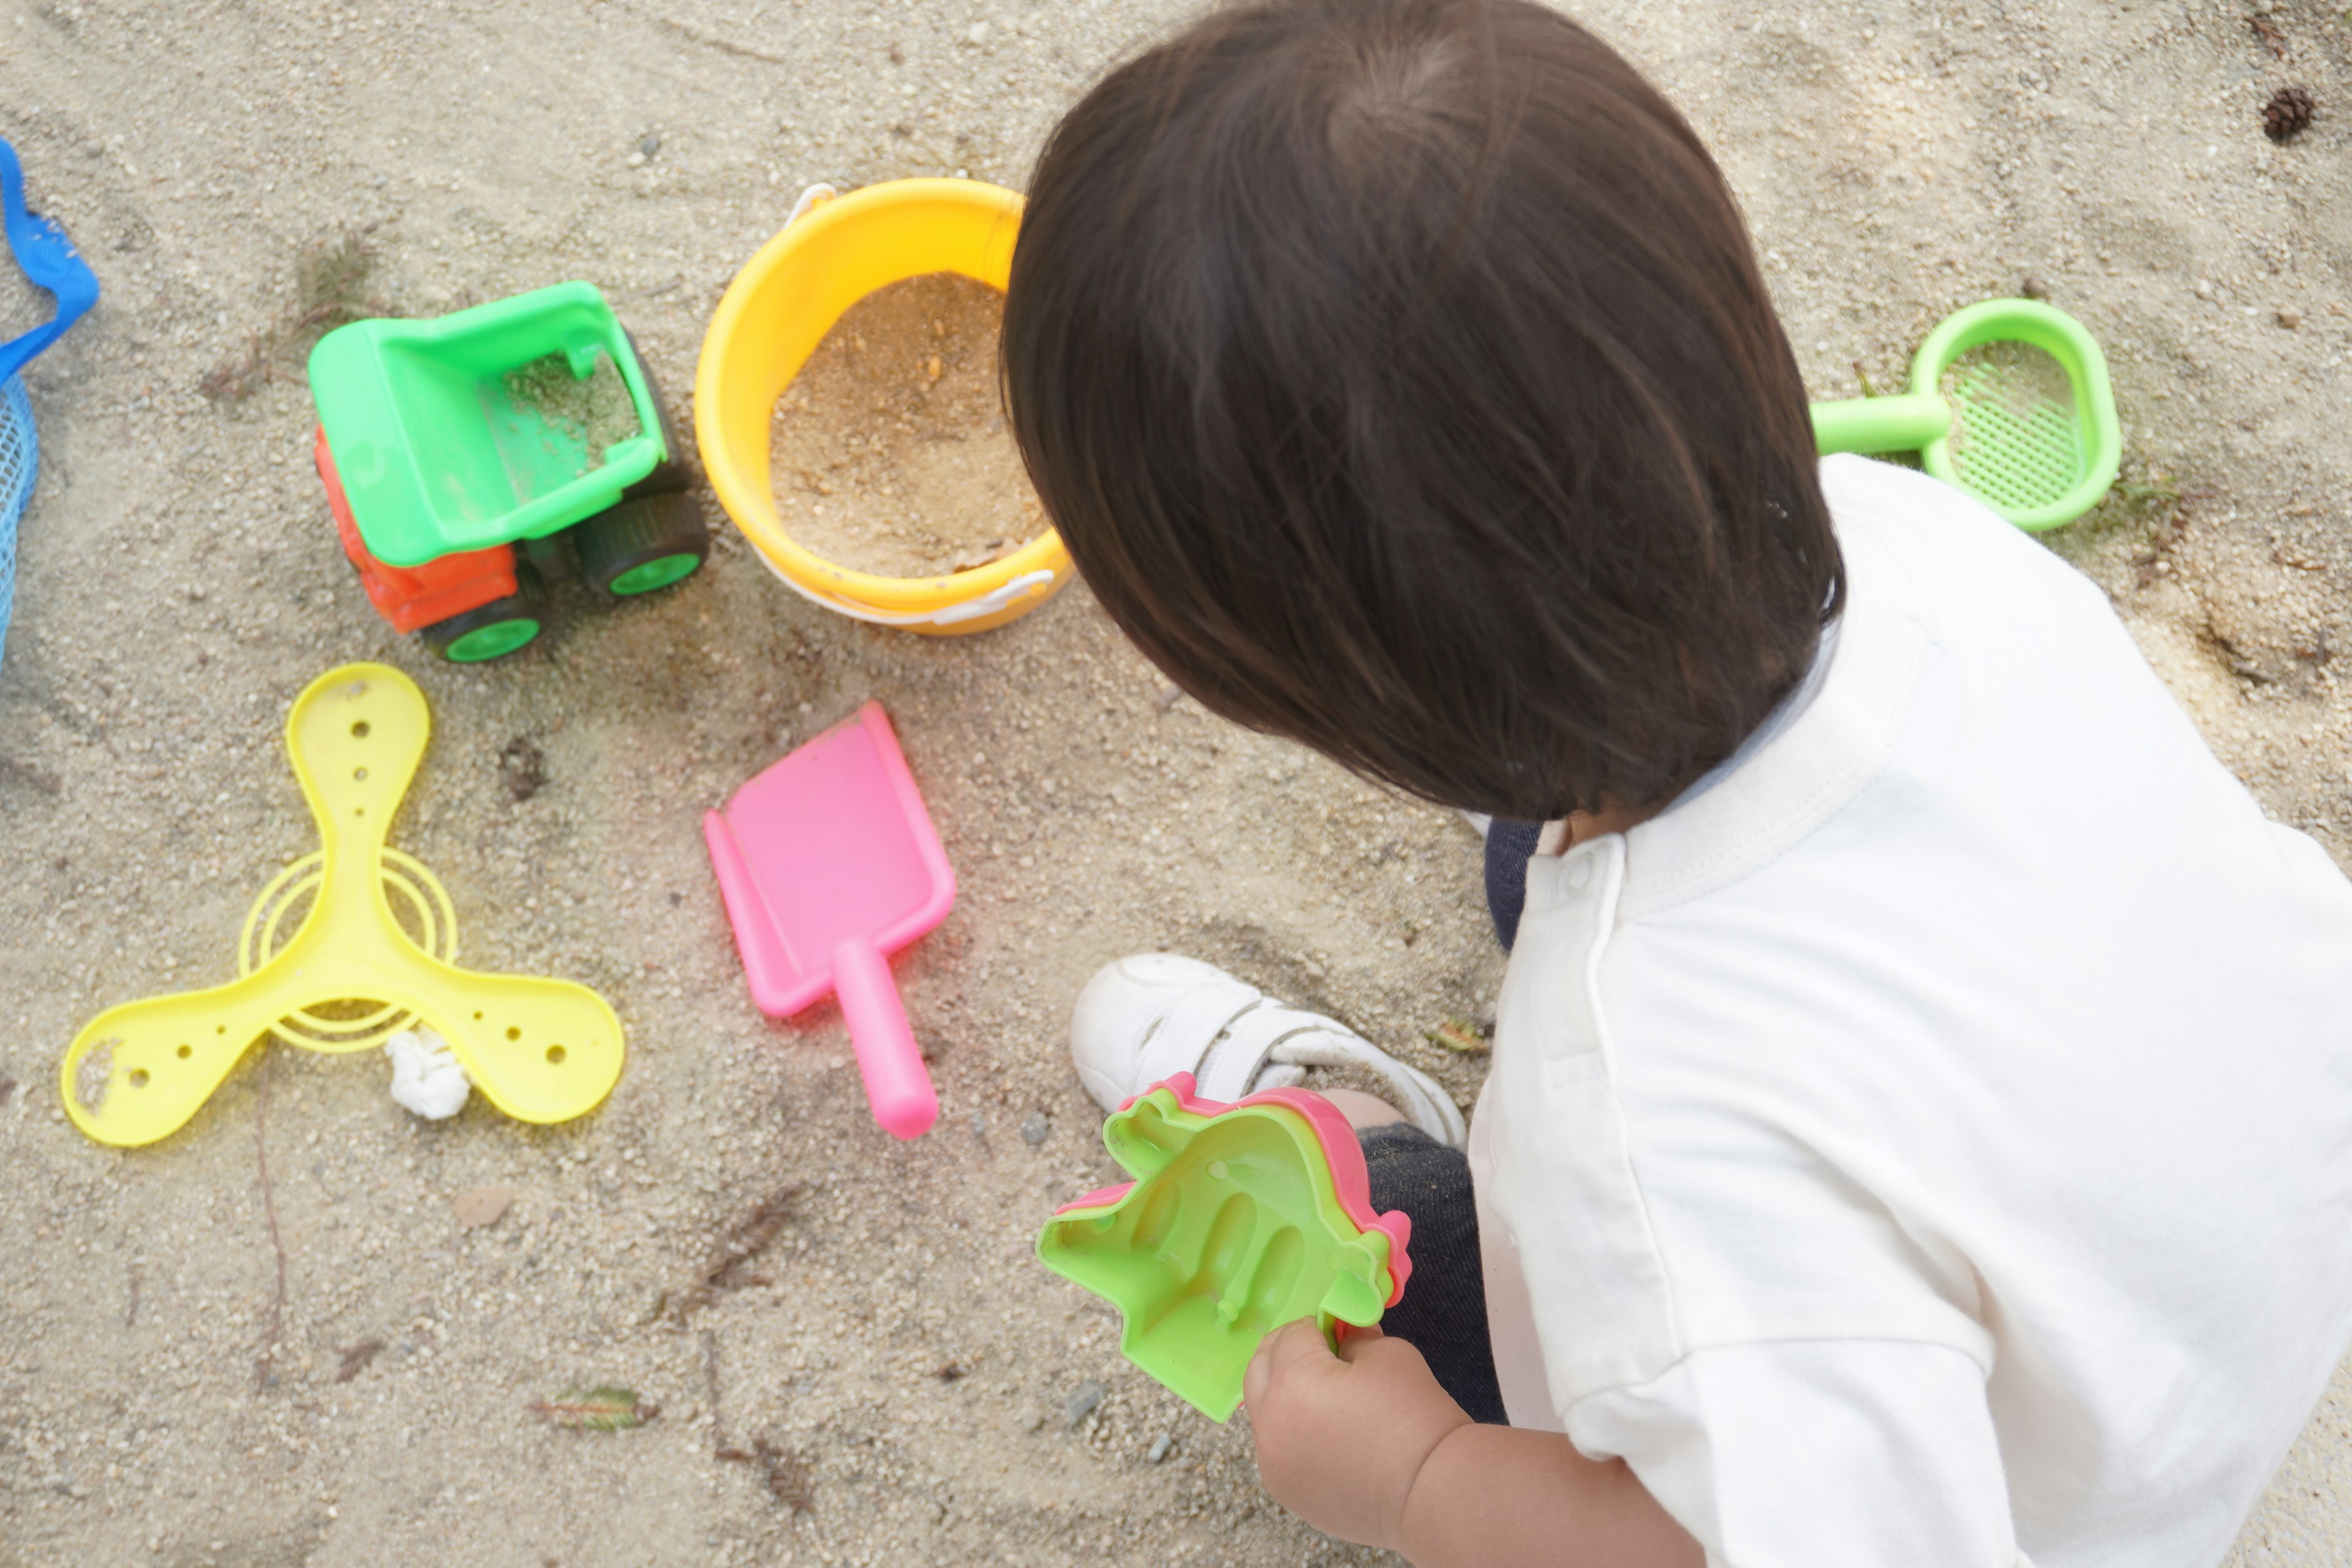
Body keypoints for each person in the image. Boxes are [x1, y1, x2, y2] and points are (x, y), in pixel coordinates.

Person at [999, 2, 2352, 1565]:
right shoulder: (1917, 538)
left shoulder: (1642, 1144)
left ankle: (1369, 1146)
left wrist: (1422, 1477)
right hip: (2199, 1274)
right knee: (1566, 842)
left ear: (1303, 701)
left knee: (1408, 1279)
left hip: (2052, 1491)